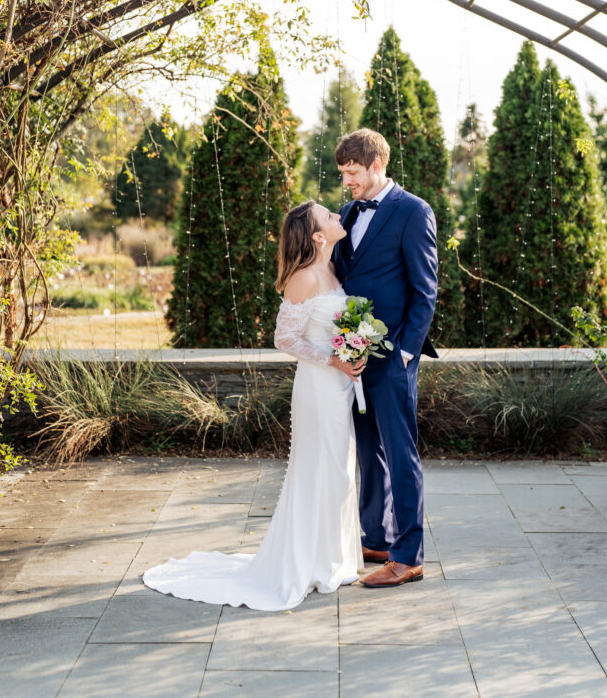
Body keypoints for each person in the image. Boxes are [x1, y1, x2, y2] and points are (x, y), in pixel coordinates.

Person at [142, 201, 365, 610]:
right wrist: (333, 359)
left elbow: (334, 327)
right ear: (317, 236)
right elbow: (285, 339)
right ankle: (308, 564)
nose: (338, 217)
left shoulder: (333, 269)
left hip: (340, 386)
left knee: (339, 468)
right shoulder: (304, 278)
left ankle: (333, 559)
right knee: (318, 466)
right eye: (328, 217)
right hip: (317, 387)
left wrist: (353, 350)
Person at [333, 128, 438, 588]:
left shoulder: (413, 211)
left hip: (393, 356)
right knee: (367, 450)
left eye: (352, 173)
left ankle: (408, 555)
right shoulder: (346, 212)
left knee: (400, 453)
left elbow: (425, 290)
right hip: (353, 356)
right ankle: (375, 538)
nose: (347, 182)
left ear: (376, 166)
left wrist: (405, 354)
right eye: (342, 174)